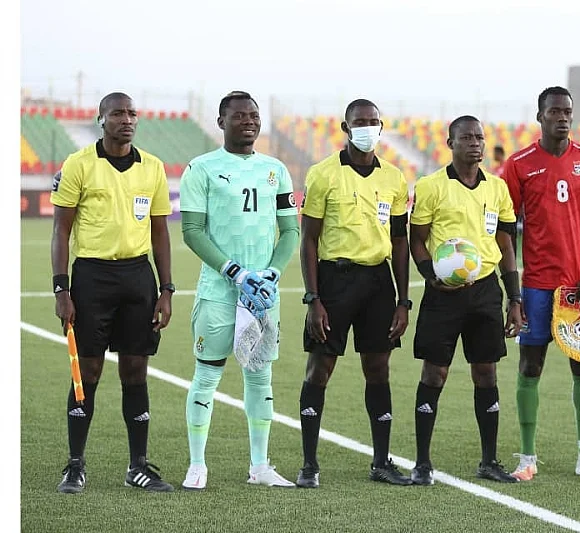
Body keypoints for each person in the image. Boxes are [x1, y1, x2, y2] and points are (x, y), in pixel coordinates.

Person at [51, 92, 175, 493]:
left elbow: (160, 231)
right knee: (86, 372)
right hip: (92, 277)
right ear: (101, 119)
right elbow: (61, 230)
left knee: (136, 370)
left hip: (138, 277)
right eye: (118, 113)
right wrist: (61, 288)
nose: (127, 119)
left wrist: (166, 289)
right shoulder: (78, 164)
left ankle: (138, 466)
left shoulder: (153, 167)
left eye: (132, 113)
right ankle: (75, 465)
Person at [178, 91, 299, 490]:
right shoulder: (201, 168)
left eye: (254, 115)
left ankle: (260, 466)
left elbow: (290, 230)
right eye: (239, 116)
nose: (249, 121)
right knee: (207, 375)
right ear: (221, 122)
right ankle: (197, 465)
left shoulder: (276, 170)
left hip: (261, 295)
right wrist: (234, 272)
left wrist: (272, 273)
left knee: (260, 377)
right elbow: (192, 231)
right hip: (218, 292)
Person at [501, 86, 580, 482]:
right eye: (554, 112)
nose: (562, 118)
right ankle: (527, 457)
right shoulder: (519, 164)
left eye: (567, 111)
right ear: (540, 116)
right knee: (530, 364)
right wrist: (513, 293)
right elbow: (506, 231)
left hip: (579, 289)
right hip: (537, 285)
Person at [297, 98, 413, 488]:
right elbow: (309, 239)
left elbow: (400, 240)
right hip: (335, 280)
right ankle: (309, 464)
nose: (367, 128)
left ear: (382, 126)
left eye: (373, 121)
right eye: (359, 122)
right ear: (345, 128)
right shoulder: (323, 174)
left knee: (378, 369)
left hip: (378, 282)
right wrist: (313, 299)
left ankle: (381, 461)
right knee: (320, 368)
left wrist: (403, 301)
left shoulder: (394, 178)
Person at [409, 115, 523, 485]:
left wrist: (514, 297)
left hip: (485, 290)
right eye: (466, 137)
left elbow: (506, 244)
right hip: (443, 293)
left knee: (486, 372)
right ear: (451, 143)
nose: (475, 143)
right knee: (434, 372)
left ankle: (489, 461)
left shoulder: (498, 188)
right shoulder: (431, 186)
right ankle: (422, 463)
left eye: (479, 137)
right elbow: (417, 239)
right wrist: (430, 275)